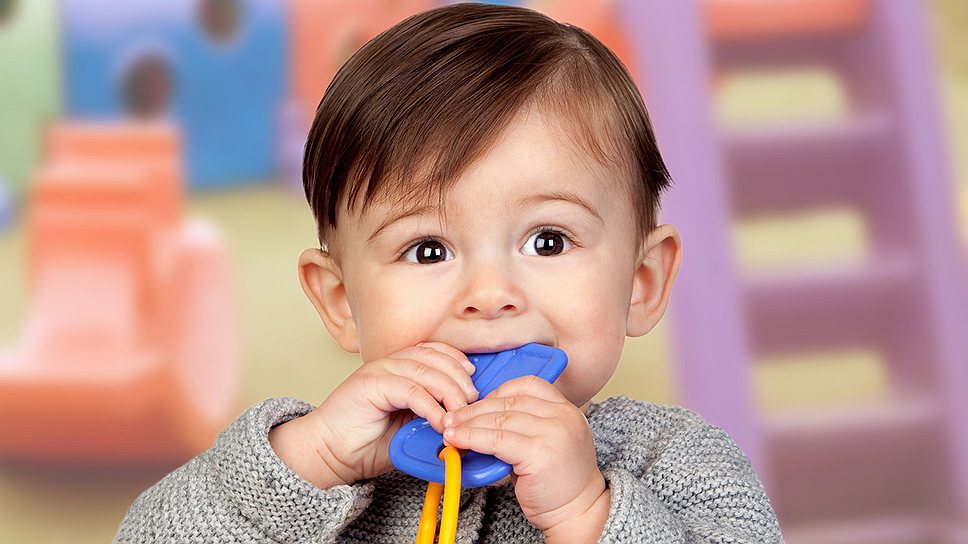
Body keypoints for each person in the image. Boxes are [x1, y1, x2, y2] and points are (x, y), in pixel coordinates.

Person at [115, 3, 782, 543]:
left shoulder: (679, 464)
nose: (489, 296)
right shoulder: (329, 468)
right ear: (341, 300)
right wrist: (308, 460)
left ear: (642, 282)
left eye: (548, 241)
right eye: (428, 251)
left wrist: (586, 513)